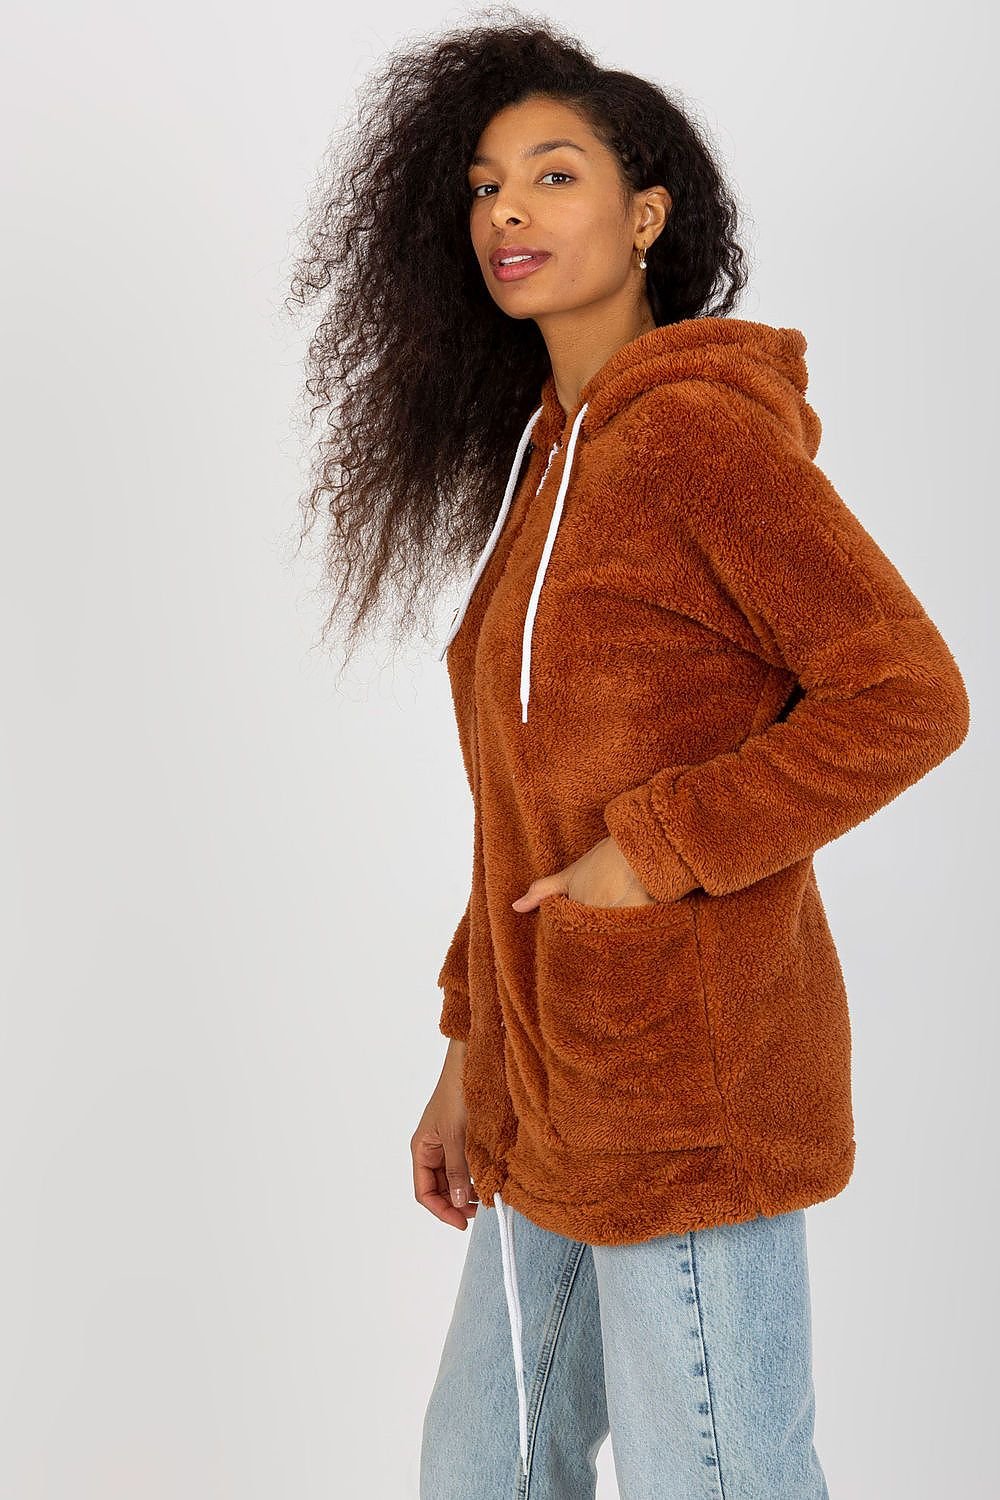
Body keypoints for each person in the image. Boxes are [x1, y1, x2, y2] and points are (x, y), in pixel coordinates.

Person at [286, 19, 970, 1499]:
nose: (507, 212)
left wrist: (655, 853)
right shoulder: (554, 458)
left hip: (688, 1087)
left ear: (646, 214)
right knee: (482, 1461)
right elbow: (522, 805)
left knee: (711, 1473)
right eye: (484, 185)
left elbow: (908, 695)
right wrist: (469, 1050)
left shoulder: (698, 440)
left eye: (553, 175)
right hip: (550, 1083)